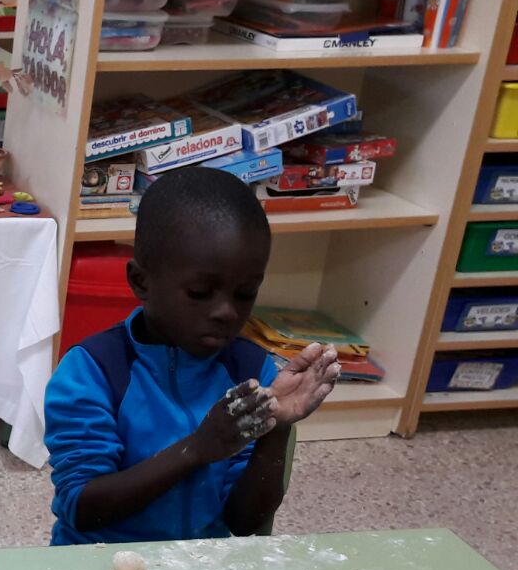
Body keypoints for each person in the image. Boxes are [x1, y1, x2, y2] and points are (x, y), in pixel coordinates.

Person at [44, 166, 341, 546]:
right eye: (200, 292)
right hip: (93, 559)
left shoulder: (251, 371)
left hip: (200, 563)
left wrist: (275, 429)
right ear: (141, 281)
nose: (227, 312)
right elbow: (82, 508)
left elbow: (244, 523)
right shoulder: (93, 372)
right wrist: (195, 450)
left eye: (245, 294)